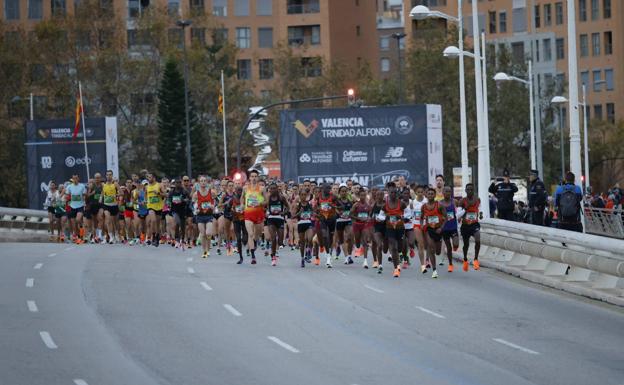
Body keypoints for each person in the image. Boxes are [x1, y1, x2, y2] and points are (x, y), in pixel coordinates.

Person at [421, 187, 446, 278]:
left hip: (438, 229)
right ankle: (434, 270)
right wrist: (421, 225)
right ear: (426, 195)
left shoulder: (439, 205)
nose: (430, 195)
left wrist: (441, 228)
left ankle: (435, 262)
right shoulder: (423, 207)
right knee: (431, 248)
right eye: (429, 194)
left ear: (435, 195)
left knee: (438, 252)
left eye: (432, 194)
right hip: (429, 229)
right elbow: (421, 218)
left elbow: (446, 218)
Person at [242, 169, 266, 264]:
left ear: (258, 178)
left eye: (255, 176)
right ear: (249, 178)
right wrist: (242, 205)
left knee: (257, 235)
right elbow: (242, 200)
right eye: (252, 176)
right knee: (250, 234)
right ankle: (253, 256)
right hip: (248, 214)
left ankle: (254, 243)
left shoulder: (262, 189)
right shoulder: (245, 188)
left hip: (259, 215)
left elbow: (266, 201)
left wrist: (260, 202)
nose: (254, 178)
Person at [458, 183, 481, 271]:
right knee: (466, 244)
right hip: (465, 225)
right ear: (465, 190)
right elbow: (458, 215)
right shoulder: (462, 201)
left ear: (473, 190)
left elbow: (480, 209)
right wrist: (465, 209)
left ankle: (475, 260)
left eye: (471, 189)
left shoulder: (477, 199)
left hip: (474, 224)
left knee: (478, 238)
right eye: (468, 189)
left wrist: (481, 215)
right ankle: (465, 259)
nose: (470, 191)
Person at [266, 183, 289, 266]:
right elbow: (265, 207)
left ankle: (275, 250)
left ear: (277, 189)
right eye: (271, 188)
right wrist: (266, 212)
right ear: (269, 190)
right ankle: (273, 256)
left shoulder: (281, 197)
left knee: (280, 241)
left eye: (274, 188)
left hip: (280, 219)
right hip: (271, 219)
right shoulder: (268, 198)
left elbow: (288, 207)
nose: (272, 190)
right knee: (273, 239)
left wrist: (284, 212)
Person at [192, 176, 215, 258]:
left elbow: (214, 201)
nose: (203, 182)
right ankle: (204, 251)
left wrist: (213, 206)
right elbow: (193, 204)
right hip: (200, 216)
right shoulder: (196, 194)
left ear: (207, 182)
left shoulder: (211, 192)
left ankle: (208, 249)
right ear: (199, 183)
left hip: (209, 215)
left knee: (208, 233)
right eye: (201, 181)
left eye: (205, 181)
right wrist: (195, 210)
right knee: (203, 234)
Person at [65, 174, 87, 244]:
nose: (75, 180)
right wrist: (67, 201)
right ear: (72, 179)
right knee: (74, 224)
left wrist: (84, 202)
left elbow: (84, 196)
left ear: (78, 178)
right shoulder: (69, 186)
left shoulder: (82, 186)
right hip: (72, 206)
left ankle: (82, 236)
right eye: (74, 178)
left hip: (80, 206)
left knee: (78, 220)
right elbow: (67, 195)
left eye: (76, 178)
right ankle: (78, 236)